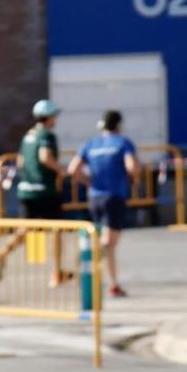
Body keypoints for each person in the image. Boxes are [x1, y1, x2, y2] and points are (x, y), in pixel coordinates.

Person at [0, 99, 68, 285]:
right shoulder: (46, 136)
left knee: (26, 228)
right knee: (57, 231)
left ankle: (3, 252)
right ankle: (56, 273)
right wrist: (60, 169)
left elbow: (20, 161)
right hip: (45, 191)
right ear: (49, 117)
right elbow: (45, 157)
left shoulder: (28, 136)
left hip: (26, 190)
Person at [67, 110, 140, 299]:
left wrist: (88, 182)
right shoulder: (123, 143)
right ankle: (86, 265)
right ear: (119, 125)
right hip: (114, 196)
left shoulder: (90, 144)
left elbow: (72, 169)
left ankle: (111, 281)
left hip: (95, 198)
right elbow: (131, 166)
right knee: (109, 242)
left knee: (106, 241)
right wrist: (134, 179)